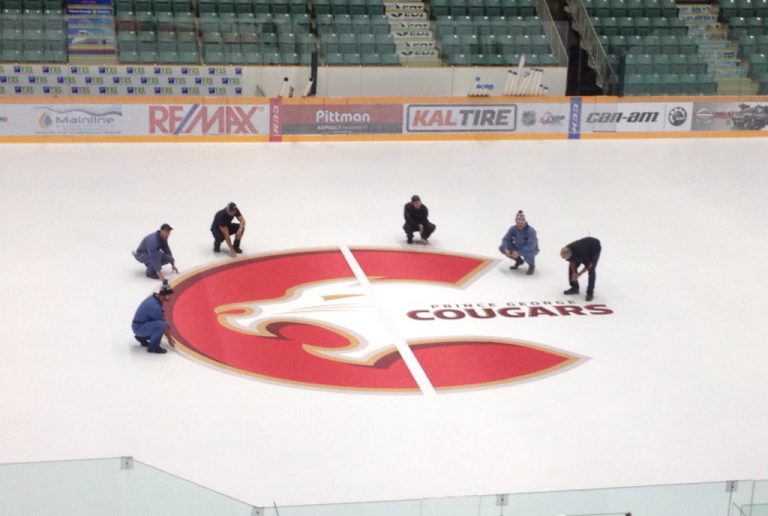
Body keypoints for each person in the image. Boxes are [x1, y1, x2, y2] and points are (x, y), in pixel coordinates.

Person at [132, 281, 174, 354]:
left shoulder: (154, 299)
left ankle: (142, 338)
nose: (170, 297)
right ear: (161, 295)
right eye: (168, 295)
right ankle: (153, 347)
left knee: (166, 325)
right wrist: (170, 339)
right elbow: (163, 324)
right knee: (161, 325)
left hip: (139, 325)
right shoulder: (154, 306)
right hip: (139, 327)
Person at [561, 236, 602, 301]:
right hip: (584, 247)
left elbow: (589, 265)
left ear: (570, 253)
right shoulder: (568, 249)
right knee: (571, 269)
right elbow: (571, 261)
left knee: (591, 271)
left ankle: (590, 293)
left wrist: (579, 274)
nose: (566, 259)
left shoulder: (580, 253)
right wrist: (574, 272)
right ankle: (574, 288)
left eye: (566, 257)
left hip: (594, 248)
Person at [499, 210, 539, 275]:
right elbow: (505, 239)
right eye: (517, 223)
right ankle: (519, 261)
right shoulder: (513, 229)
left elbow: (531, 245)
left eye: (521, 223)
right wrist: (506, 249)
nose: (519, 225)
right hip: (517, 247)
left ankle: (531, 266)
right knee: (502, 247)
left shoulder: (531, 231)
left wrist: (519, 252)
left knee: (529, 255)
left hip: (530, 249)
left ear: (525, 222)